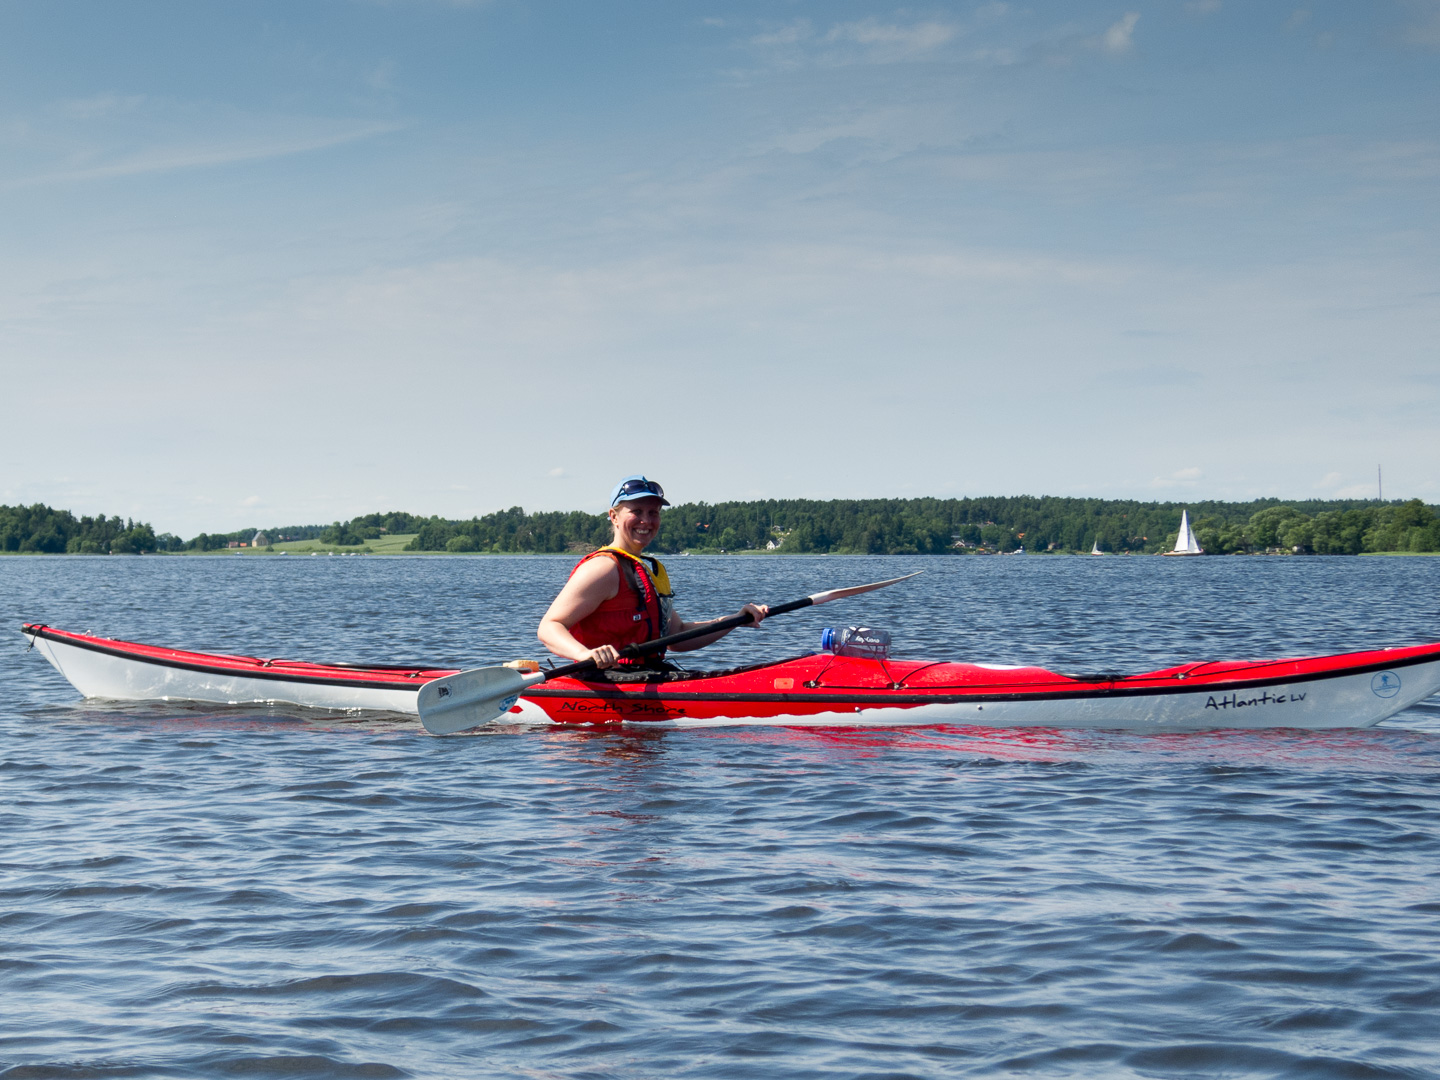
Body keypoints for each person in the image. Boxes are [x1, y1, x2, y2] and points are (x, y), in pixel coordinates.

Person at [538, 475, 768, 673]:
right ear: (614, 517)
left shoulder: (648, 569)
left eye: (653, 513)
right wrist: (584, 654)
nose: (646, 521)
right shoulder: (603, 568)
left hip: (645, 676)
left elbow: (676, 635)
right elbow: (549, 627)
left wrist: (735, 620)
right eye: (636, 511)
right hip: (605, 681)